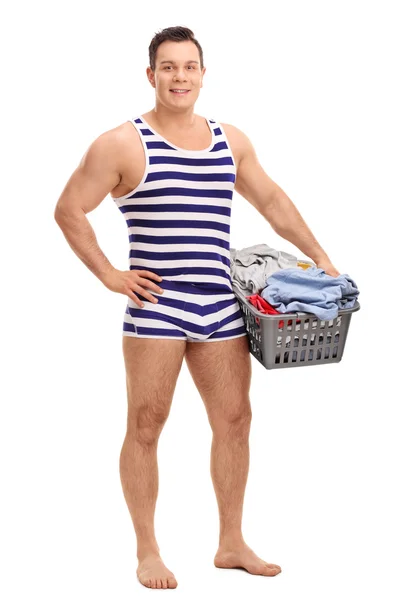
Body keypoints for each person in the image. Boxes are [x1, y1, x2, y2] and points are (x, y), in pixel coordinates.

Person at [54, 25, 340, 590]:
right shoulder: (121, 143)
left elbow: (273, 201)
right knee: (145, 424)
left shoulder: (229, 139)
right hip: (156, 307)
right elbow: (69, 209)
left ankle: (231, 543)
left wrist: (322, 258)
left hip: (220, 305)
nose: (179, 76)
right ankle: (147, 551)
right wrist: (110, 274)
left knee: (235, 421)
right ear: (151, 74)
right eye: (168, 67)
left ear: (203, 74)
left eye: (189, 66)